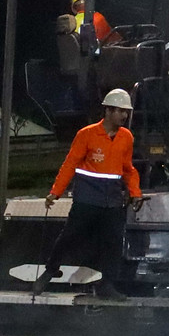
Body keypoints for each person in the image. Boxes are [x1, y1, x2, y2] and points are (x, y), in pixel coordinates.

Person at [38, 88, 143, 299]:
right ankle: (50, 270)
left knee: (113, 242)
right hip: (87, 198)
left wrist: (135, 192)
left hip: (112, 200)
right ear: (108, 111)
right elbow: (70, 164)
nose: (124, 116)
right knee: (70, 236)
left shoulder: (126, 137)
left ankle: (106, 285)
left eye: (126, 112)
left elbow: (128, 169)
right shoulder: (86, 134)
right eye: (120, 111)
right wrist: (55, 193)